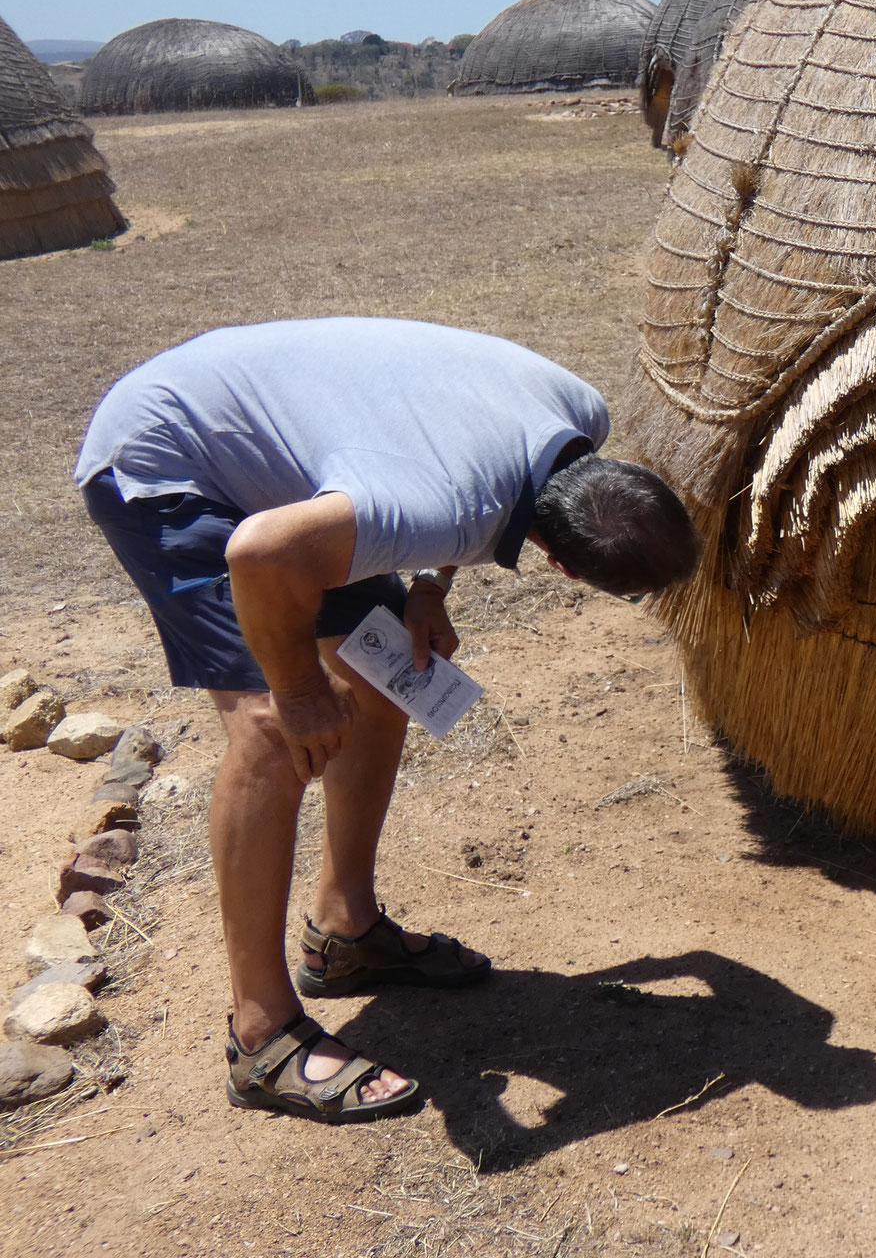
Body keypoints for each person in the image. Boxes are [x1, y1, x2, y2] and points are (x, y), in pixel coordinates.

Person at [74, 318, 699, 1123]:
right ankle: (261, 1036)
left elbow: (467, 478)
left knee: (386, 674)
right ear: (561, 563)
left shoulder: (580, 417)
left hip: (285, 458)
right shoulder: (436, 507)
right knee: (269, 730)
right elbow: (261, 554)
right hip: (170, 455)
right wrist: (298, 689)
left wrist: (432, 588)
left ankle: (344, 931)